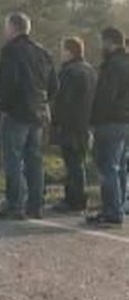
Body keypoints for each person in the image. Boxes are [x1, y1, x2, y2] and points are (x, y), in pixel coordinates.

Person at [0, 12, 58, 220]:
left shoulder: (11, 50)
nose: (5, 31)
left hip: (17, 112)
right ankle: (35, 205)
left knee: (13, 158)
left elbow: (8, 81)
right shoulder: (42, 52)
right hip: (37, 113)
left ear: (13, 28)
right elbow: (54, 85)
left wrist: (1, 105)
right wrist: (43, 101)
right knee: (34, 159)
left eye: (6, 27)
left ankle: (15, 203)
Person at [87, 27, 129, 227]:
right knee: (119, 167)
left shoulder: (112, 65)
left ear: (109, 41)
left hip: (110, 121)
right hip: (125, 122)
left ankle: (112, 212)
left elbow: (105, 97)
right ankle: (118, 208)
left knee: (107, 168)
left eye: (102, 42)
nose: (100, 46)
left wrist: (94, 122)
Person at [51, 37, 97, 213]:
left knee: (72, 163)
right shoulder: (91, 71)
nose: (60, 54)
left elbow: (63, 100)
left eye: (62, 50)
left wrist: (56, 121)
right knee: (79, 162)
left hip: (71, 124)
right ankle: (77, 198)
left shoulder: (69, 72)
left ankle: (74, 200)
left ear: (70, 51)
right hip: (86, 124)